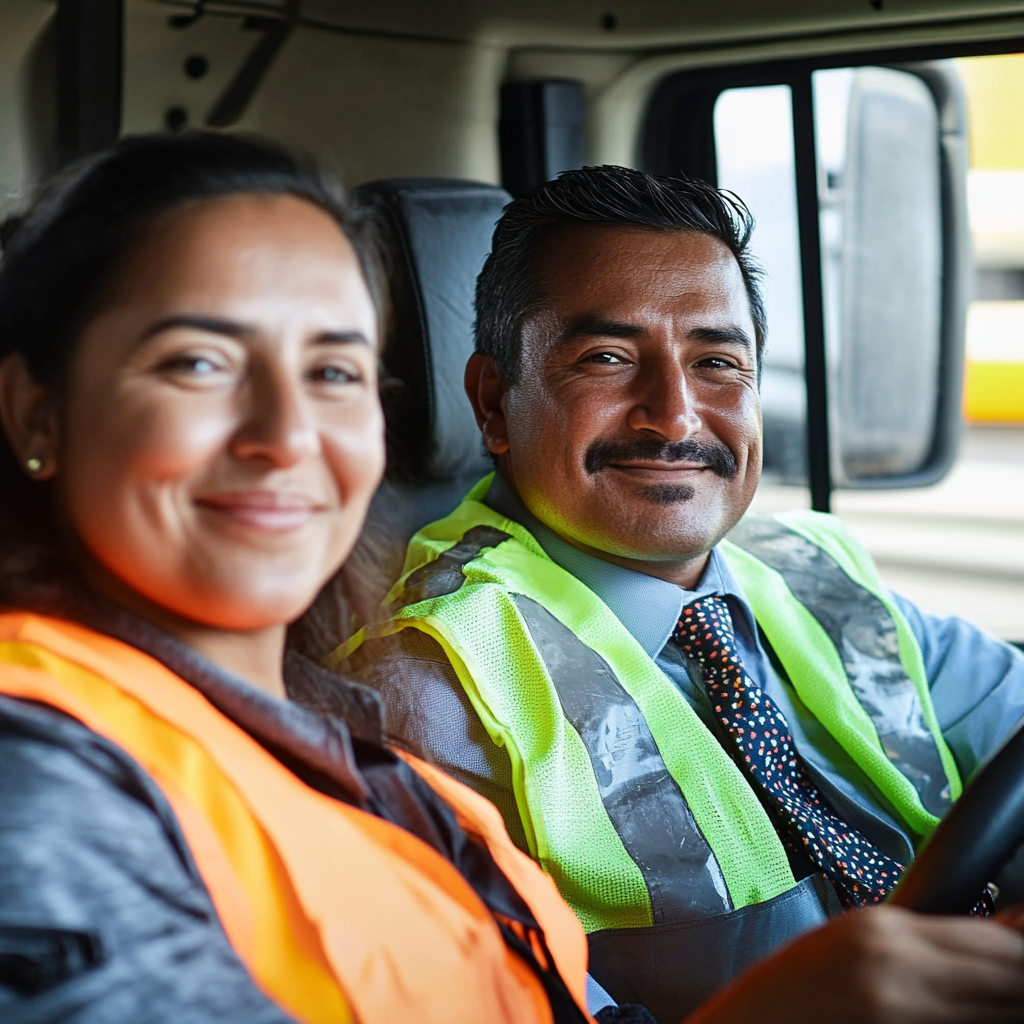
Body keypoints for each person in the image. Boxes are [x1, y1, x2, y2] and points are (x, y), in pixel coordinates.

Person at [338, 165, 1024, 1024]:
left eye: (717, 362)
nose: (676, 417)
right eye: (608, 359)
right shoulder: (420, 693)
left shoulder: (817, 573)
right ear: (494, 404)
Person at [0, 132, 607, 1024]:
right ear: (36, 414)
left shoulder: (369, 760)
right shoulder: (34, 773)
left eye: (332, 371)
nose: (286, 435)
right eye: (198, 364)